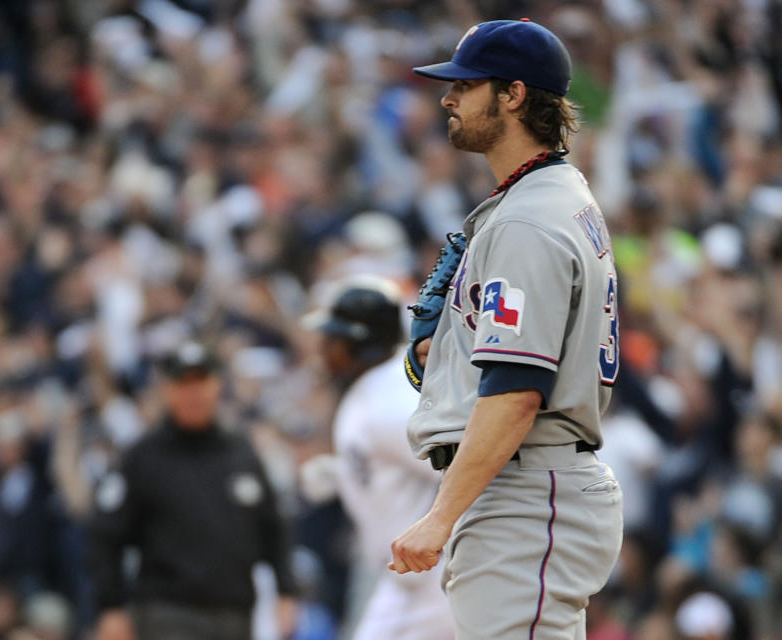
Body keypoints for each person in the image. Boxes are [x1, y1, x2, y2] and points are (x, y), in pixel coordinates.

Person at [388, 19, 625, 639]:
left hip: (527, 491)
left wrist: (440, 516)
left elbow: (518, 388)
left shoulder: (527, 221)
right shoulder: (548, 196)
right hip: (530, 487)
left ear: (513, 95)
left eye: (466, 85)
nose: (449, 98)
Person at [88, 340, 297, 640]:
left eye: (202, 381)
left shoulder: (241, 453)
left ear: (217, 385)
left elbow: (274, 526)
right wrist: (110, 607)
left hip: (235, 612)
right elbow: (106, 535)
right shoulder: (143, 457)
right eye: (183, 383)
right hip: (167, 611)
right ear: (166, 389)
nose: (194, 393)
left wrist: (286, 592)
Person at [304, 279, 454, 640]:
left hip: (433, 578)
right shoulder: (379, 386)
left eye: (332, 340)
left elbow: (462, 467)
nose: (322, 349)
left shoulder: (390, 403)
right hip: (407, 577)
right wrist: (344, 474)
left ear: (360, 343)